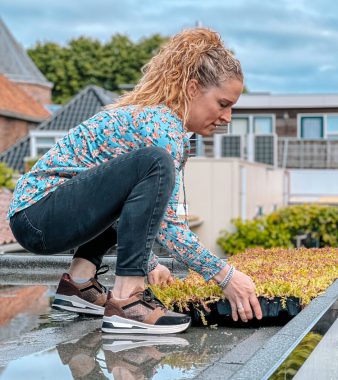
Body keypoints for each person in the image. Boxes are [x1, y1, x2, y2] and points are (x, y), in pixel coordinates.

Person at [8, 27, 262, 334]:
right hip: (38, 215)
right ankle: (128, 301)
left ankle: (79, 283)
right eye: (223, 104)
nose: (227, 117)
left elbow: (134, 209)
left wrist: (150, 262)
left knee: (150, 169)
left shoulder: (166, 128)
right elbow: (169, 226)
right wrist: (226, 275)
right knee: (155, 162)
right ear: (193, 89)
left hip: (38, 217)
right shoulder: (162, 129)